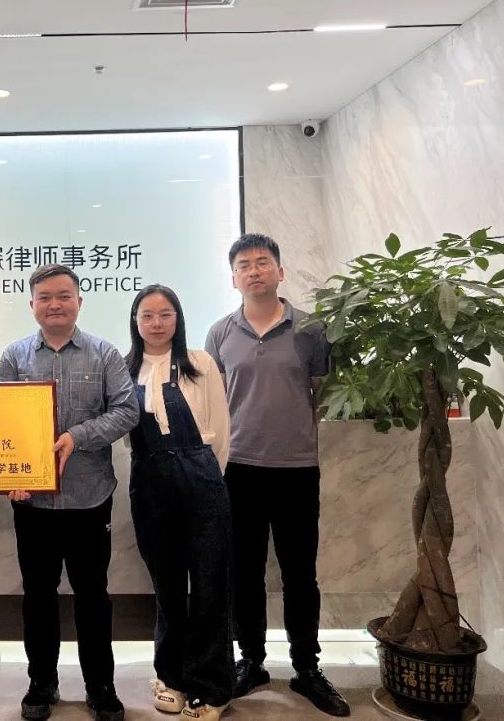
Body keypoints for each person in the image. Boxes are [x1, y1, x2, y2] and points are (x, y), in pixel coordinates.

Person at [204, 234, 350, 717]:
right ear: (233, 278)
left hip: (297, 469)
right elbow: (214, 402)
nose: (254, 271)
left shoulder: (312, 329)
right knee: (244, 573)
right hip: (238, 469)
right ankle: (251, 662)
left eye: (263, 262)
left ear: (280, 272)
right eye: (244, 265)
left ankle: (307, 668)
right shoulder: (220, 333)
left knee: (299, 574)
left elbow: (322, 391)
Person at [0, 264, 139, 721]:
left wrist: (78, 436)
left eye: (63, 296)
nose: (54, 304)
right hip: (33, 502)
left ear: (79, 301)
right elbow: (1, 421)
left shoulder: (104, 353)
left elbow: (127, 411)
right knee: (37, 596)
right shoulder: (15, 356)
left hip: (89, 498)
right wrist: (11, 473)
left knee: (93, 595)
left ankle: (101, 686)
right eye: (45, 297)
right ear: (32, 304)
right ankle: (42, 683)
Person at [124, 285, 231, 721]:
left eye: (165, 314)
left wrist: (204, 477)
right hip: (149, 481)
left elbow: (220, 431)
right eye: (147, 315)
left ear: (178, 318)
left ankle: (213, 687)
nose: (156, 323)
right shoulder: (124, 368)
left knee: (209, 584)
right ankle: (171, 677)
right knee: (166, 585)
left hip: (201, 477)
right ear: (135, 321)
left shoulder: (200, 363)